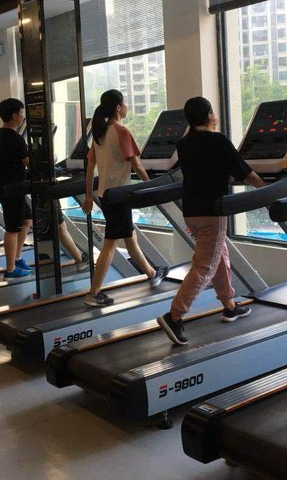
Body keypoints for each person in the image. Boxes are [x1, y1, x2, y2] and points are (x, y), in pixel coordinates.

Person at [156, 97, 265, 345]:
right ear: (208, 115)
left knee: (219, 253)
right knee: (205, 267)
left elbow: (204, 169)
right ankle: (174, 316)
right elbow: (245, 172)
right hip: (211, 212)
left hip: (191, 212)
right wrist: (269, 191)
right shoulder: (218, 140)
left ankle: (229, 304)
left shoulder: (183, 144)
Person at [81, 89, 167, 307]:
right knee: (110, 244)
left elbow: (90, 167)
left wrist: (89, 195)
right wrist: (151, 187)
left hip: (106, 195)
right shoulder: (121, 131)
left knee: (130, 237)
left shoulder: (100, 133)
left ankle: (152, 274)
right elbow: (137, 165)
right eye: (125, 103)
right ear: (118, 108)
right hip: (119, 196)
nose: (127, 106)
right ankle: (93, 293)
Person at [0, 98, 86, 279]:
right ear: (14, 115)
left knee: (27, 218)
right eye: (22, 113)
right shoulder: (15, 139)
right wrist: (49, 169)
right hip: (12, 188)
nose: (23, 116)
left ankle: (17, 258)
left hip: (5, 186)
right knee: (12, 228)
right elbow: (30, 164)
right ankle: (10, 269)